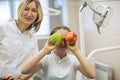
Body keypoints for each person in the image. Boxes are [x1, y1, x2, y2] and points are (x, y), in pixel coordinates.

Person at [20, 26, 96, 80]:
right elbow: (24, 70)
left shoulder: (73, 60)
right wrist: (45, 49)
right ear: (51, 40)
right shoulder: (46, 60)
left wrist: (76, 50)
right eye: (58, 39)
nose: (62, 43)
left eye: (65, 39)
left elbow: (92, 75)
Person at [0, 0, 43, 80]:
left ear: (38, 15)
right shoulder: (3, 29)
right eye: (26, 9)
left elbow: (35, 65)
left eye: (34, 10)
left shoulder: (33, 39)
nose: (29, 14)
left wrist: (20, 79)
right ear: (20, 10)